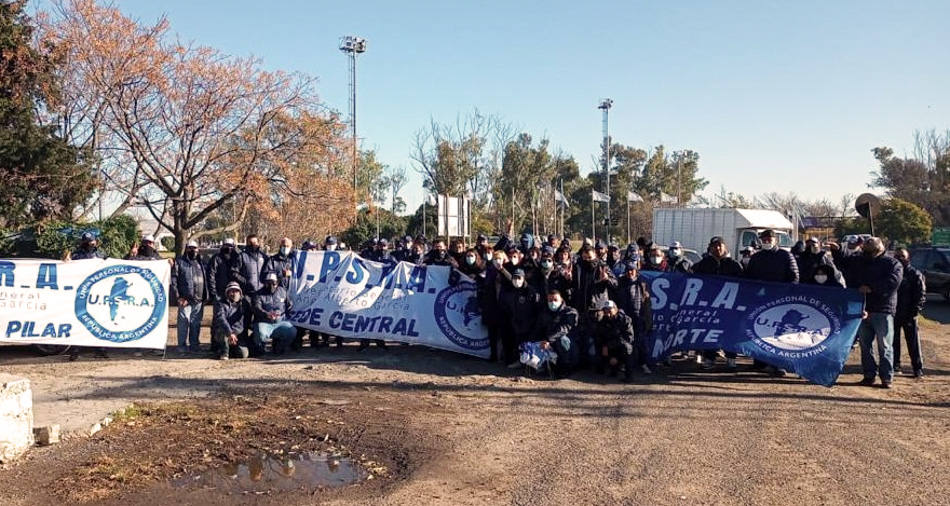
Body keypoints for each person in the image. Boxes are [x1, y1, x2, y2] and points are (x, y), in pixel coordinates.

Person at [833, 237, 903, 388]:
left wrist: (871, 287)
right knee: (865, 345)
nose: (867, 247)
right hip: (862, 308)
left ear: (880, 247)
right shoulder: (859, 261)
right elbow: (844, 264)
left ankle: (886, 377)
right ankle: (869, 375)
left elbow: (893, 281)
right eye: (866, 245)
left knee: (885, 346)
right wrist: (837, 250)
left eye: (870, 244)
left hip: (883, 310)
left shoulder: (892, 263)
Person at [744, 229, 799, 376]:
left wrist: (785, 295)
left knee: (779, 334)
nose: (767, 241)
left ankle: (779, 364)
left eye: (770, 238)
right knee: (759, 331)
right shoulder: (757, 257)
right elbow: (749, 278)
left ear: (775, 240)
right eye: (764, 239)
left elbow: (794, 277)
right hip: (760, 301)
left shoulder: (786, 255)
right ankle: (761, 362)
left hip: (780, 302)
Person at [692, 236, 744, 369]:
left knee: (730, 331)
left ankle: (731, 358)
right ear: (710, 247)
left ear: (725, 246)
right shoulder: (703, 264)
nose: (718, 248)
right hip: (709, 305)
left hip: (730, 306)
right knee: (709, 331)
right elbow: (693, 280)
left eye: (720, 245)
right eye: (715, 245)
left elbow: (744, 285)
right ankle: (709, 358)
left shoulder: (734, 265)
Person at [612, 261, 653, 374]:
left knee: (641, 344)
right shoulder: (620, 283)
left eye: (632, 270)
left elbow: (647, 303)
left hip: (638, 317)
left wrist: (647, 319)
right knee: (624, 342)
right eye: (628, 270)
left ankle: (643, 363)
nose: (630, 272)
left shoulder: (642, 284)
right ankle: (625, 363)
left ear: (636, 271)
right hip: (624, 318)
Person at [893, 248, 926, 378]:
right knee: (893, 342)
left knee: (913, 342)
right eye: (897, 256)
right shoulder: (893, 273)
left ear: (908, 258)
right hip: (894, 313)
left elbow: (921, 295)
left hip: (909, 314)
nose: (899, 259)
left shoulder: (915, 274)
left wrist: (914, 312)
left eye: (902, 256)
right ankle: (895, 365)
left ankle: (917, 368)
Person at [532, 290, 580, 377]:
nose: (552, 303)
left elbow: (564, 329)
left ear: (561, 299)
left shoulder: (570, 312)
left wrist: (548, 340)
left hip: (570, 348)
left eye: (555, 300)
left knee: (562, 339)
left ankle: (566, 367)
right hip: (551, 347)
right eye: (550, 301)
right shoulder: (545, 313)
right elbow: (538, 329)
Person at [500, 268, 541, 368]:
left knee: (527, 343)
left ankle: (527, 363)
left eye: (519, 278)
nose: (516, 280)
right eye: (514, 278)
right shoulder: (510, 291)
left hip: (529, 323)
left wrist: (534, 322)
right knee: (516, 343)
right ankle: (519, 361)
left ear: (523, 278)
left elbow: (537, 308)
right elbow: (506, 306)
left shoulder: (531, 291)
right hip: (515, 322)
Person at [592, 300, 637, 383]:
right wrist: (606, 349)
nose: (607, 312)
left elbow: (629, 338)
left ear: (615, 309)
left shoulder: (625, 319)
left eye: (609, 309)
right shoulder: (602, 322)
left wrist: (609, 346)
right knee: (597, 346)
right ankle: (608, 369)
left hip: (622, 347)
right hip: (610, 347)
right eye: (605, 310)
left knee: (627, 348)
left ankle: (629, 376)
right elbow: (599, 337)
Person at [252, 272, 296, 355]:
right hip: (264, 322)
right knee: (261, 334)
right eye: (268, 283)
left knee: (292, 331)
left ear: (277, 283)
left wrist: (282, 314)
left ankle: (279, 347)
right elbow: (256, 308)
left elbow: (289, 305)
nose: (271, 286)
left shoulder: (283, 291)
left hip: (280, 322)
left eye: (273, 283)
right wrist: (266, 314)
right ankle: (261, 349)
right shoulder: (257, 294)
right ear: (264, 283)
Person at [175, 240, 207, 353]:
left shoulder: (202, 263)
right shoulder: (179, 262)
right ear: (186, 249)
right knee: (183, 322)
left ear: (198, 249)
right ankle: (182, 346)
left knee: (195, 324)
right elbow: (174, 281)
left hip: (199, 300)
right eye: (190, 248)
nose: (193, 250)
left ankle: (194, 345)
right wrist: (179, 297)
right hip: (185, 299)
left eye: (195, 248)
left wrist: (205, 296)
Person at [213, 282, 250, 360]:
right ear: (227, 292)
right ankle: (224, 352)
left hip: (238, 333)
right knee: (220, 332)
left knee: (243, 354)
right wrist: (230, 333)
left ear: (240, 292)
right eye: (232, 291)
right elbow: (221, 318)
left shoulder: (244, 303)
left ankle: (231, 348)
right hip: (224, 332)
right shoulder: (220, 303)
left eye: (236, 291)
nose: (234, 293)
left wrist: (234, 333)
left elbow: (242, 322)